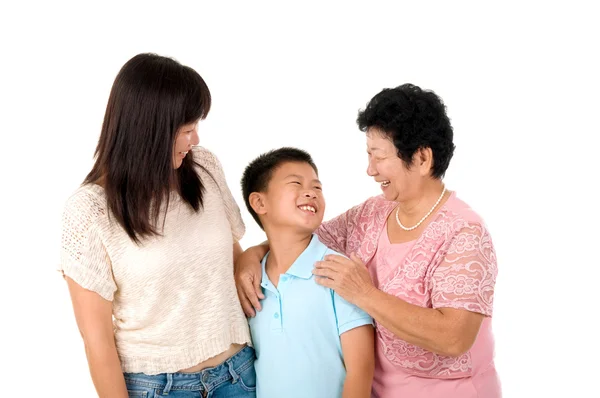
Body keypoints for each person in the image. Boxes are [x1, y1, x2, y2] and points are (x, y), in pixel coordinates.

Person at [235, 84, 501, 397]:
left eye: (380, 157)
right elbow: (298, 236)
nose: (370, 170)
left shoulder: (465, 233)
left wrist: (364, 293)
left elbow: (454, 337)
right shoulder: (372, 213)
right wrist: (251, 256)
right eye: (368, 155)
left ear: (422, 158)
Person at [59, 53, 255, 398]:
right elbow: (97, 340)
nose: (195, 140)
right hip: (159, 388)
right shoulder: (89, 210)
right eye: (186, 130)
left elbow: (232, 255)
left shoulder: (204, 167)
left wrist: (252, 257)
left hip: (238, 375)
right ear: (148, 131)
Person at [240, 148, 375, 398]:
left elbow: (362, 369)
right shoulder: (251, 282)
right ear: (260, 202)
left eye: (317, 187)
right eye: (296, 183)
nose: (311, 192)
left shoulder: (337, 271)